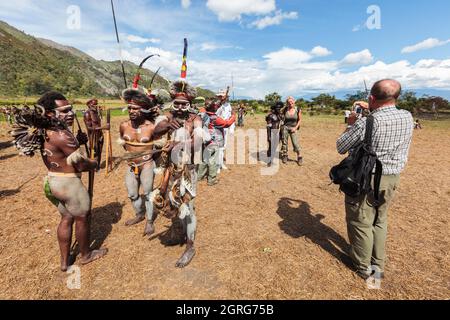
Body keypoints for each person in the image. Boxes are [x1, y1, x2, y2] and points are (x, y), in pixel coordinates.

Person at [10, 91, 107, 271]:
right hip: (69, 184)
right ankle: (86, 255)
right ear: (48, 113)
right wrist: (93, 163)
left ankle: (64, 262)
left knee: (66, 217)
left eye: (71, 110)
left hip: (52, 181)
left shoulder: (44, 131)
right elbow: (79, 164)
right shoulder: (62, 134)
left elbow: (59, 152)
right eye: (64, 111)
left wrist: (78, 141)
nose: (70, 114)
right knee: (82, 217)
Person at [336, 79, 414, 280]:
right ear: (396, 97)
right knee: (380, 220)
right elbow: (382, 121)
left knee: (361, 222)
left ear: (371, 98)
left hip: (366, 179)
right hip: (391, 178)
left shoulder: (365, 122)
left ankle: (363, 267)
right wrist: (370, 111)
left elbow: (341, 146)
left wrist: (352, 124)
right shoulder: (407, 116)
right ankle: (378, 264)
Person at [152, 80, 204, 268]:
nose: (181, 107)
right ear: (173, 102)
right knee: (170, 201)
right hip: (169, 168)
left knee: (187, 206)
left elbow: (198, 142)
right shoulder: (167, 116)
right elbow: (154, 132)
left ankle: (190, 245)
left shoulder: (194, 119)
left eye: (184, 104)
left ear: (189, 104)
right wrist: (166, 126)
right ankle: (177, 232)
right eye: (178, 103)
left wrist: (181, 144)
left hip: (188, 168)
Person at [119, 89, 164, 237]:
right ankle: (139, 214)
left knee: (148, 193)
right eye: (130, 108)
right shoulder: (124, 126)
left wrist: (155, 164)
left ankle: (150, 221)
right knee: (132, 194)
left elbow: (159, 147)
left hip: (147, 164)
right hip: (131, 165)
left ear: (143, 110)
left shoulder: (151, 127)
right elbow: (124, 144)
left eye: (135, 108)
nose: (131, 111)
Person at [197, 96, 236, 186]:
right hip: (213, 142)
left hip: (205, 141)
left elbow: (204, 109)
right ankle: (212, 179)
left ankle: (200, 176)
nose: (218, 107)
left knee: (204, 159)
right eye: (216, 106)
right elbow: (227, 123)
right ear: (213, 107)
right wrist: (233, 115)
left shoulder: (202, 114)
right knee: (213, 161)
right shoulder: (214, 118)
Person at [83, 99, 110, 170]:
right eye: (93, 104)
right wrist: (103, 127)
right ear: (89, 105)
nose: (95, 106)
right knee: (94, 151)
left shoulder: (96, 113)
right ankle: (91, 166)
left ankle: (97, 166)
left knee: (99, 151)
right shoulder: (87, 114)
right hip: (93, 136)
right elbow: (89, 128)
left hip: (99, 134)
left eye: (96, 104)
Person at [215, 89, 234, 172]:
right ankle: (217, 166)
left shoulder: (229, 106)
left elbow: (231, 117)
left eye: (223, 97)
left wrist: (232, 128)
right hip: (217, 128)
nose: (222, 98)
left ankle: (221, 163)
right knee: (217, 147)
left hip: (226, 128)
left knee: (223, 147)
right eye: (220, 97)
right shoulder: (216, 106)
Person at [281, 96, 303, 165]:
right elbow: (281, 116)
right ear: (287, 103)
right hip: (285, 128)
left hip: (294, 128)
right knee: (284, 143)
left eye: (291, 101)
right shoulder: (285, 109)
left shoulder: (298, 109)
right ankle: (285, 155)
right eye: (288, 102)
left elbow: (299, 120)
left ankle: (299, 156)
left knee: (295, 143)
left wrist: (295, 128)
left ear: (294, 102)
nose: (290, 103)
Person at [265, 101, 284, 165]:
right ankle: (269, 161)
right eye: (277, 108)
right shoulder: (270, 116)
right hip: (272, 133)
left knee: (275, 147)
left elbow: (282, 125)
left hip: (278, 133)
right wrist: (269, 136)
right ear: (274, 108)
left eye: (279, 108)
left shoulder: (281, 115)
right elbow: (268, 126)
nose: (278, 109)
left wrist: (281, 135)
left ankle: (270, 156)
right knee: (271, 147)